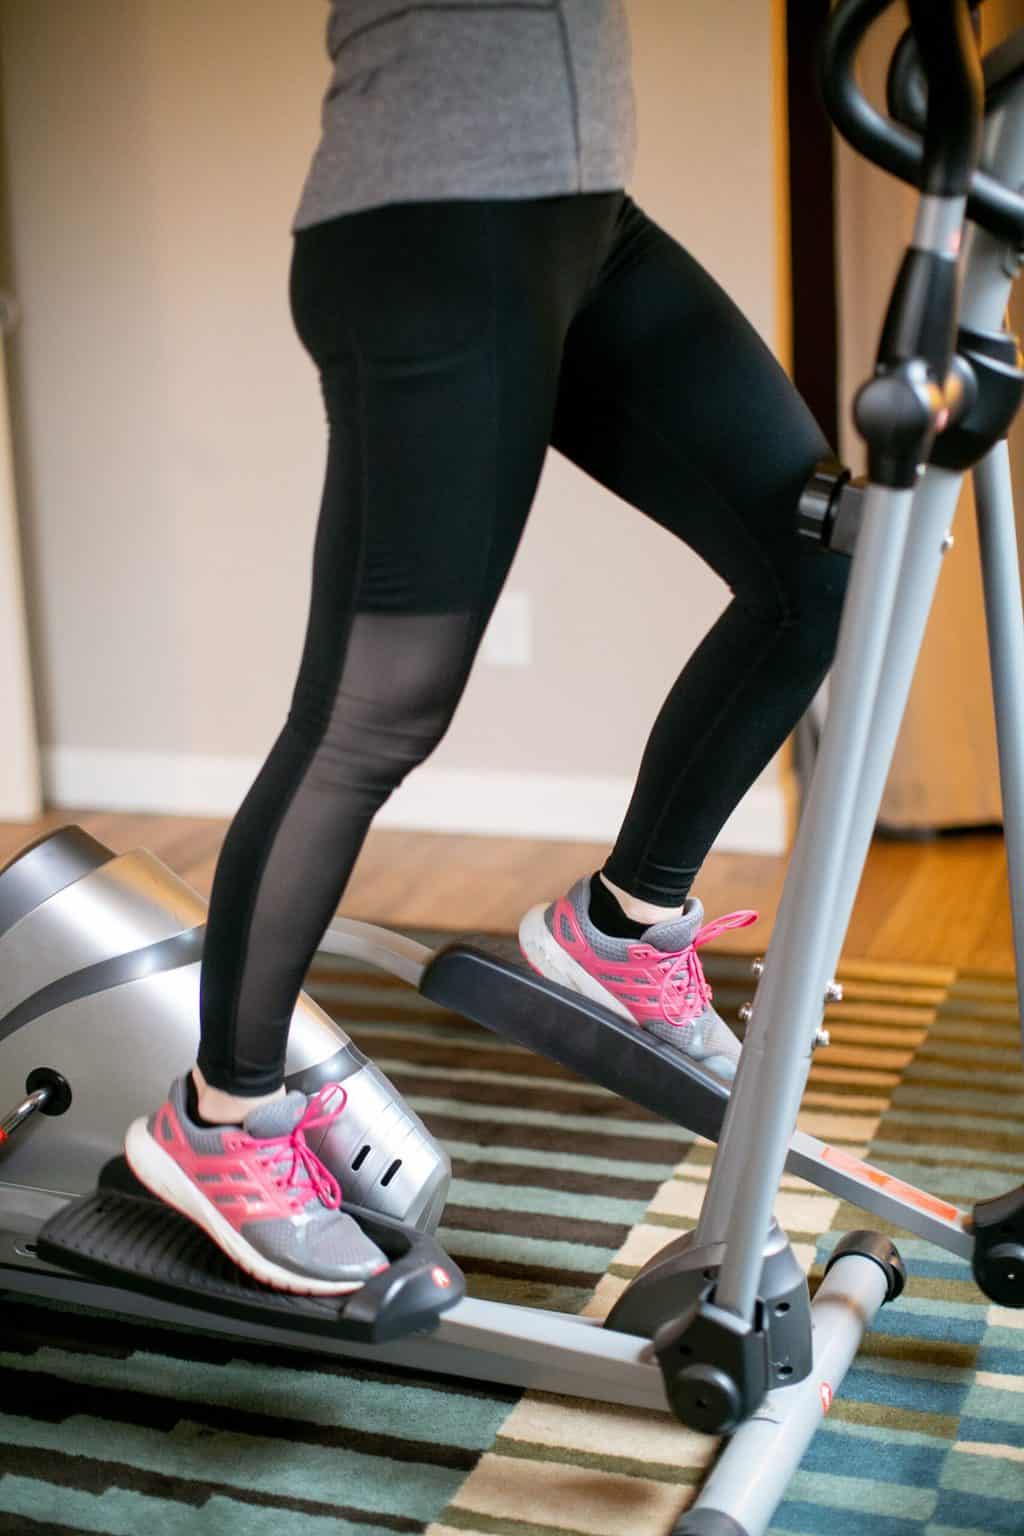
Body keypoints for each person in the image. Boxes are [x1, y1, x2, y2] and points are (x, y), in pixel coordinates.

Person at [123, 0, 851, 1294]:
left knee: (820, 556)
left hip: (587, 218)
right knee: (376, 709)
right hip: (431, 220)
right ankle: (221, 1115)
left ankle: (627, 923)